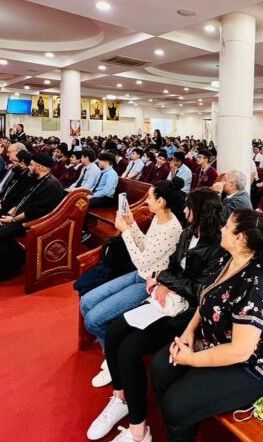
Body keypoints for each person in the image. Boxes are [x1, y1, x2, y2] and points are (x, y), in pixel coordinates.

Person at [87, 189, 228, 441]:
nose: (185, 211)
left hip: (187, 314)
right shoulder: (187, 233)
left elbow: (201, 289)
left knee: (129, 349)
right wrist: (163, 282)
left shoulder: (218, 245)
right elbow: (172, 265)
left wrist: (165, 280)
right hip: (167, 300)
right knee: (116, 331)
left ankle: (139, 430)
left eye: (189, 207)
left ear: (201, 212)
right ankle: (120, 398)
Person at [150, 210, 263, 442]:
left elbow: (240, 351)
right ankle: (183, 428)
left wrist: (190, 359)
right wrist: (188, 332)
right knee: (162, 367)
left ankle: (180, 424)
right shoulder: (227, 259)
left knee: (175, 405)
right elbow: (206, 300)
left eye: (227, 227)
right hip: (214, 341)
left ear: (240, 238)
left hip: (250, 365)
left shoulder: (255, 284)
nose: (221, 229)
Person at [80, 181, 183, 351]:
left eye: (150, 197)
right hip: (141, 273)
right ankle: (111, 348)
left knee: (92, 320)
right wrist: (131, 223)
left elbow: (141, 260)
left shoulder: (171, 228)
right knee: (86, 302)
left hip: (150, 283)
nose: (146, 201)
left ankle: (111, 354)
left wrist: (126, 231)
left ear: (161, 202)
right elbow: (145, 246)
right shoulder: (159, 218)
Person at [0, 154, 65, 284]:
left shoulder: (51, 185)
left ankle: (5, 270)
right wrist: (12, 211)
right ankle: (4, 261)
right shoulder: (37, 179)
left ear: (40, 168)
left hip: (34, 223)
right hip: (20, 217)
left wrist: (13, 219)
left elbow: (34, 211)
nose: (29, 167)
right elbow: (23, 199)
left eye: (31, 165)